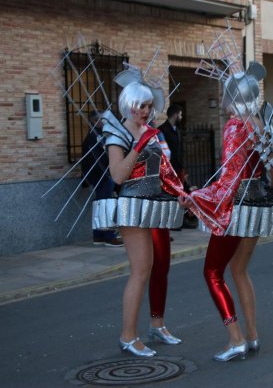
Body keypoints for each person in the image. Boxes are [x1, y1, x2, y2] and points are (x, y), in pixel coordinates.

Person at [180, 62, 273, 362]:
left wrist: (196, 196)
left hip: (237, 209)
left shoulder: (234, 127)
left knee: (212, 272)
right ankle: (252, 336)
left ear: (230, 98)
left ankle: (236, 338)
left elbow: (229, 180)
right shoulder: (260, 125)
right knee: (239, 270)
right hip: (256, 204)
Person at [94, 67, 187, 357]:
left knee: (155, 267)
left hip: (154, 204)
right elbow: (118, 176)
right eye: (142, 105)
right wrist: (139, 145)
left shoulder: (151, 131)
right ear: (129, 104)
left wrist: (181, 193)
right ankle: (127, 336)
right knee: (140, 271)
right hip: (132, 207)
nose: (146, 111)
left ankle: (152, 327)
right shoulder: (116, 132)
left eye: (149, 106)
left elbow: (164, 171)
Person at [81, 112, 123, 247]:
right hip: (102, 176)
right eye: (101, 119)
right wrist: (108, 173)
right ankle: (108, 236)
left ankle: (98, 235)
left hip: (103, 175)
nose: (104, 121)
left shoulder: (100, 135)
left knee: (101, 205)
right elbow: (95, 159)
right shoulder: (93, 138)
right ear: (94, 121)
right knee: (105, 205)